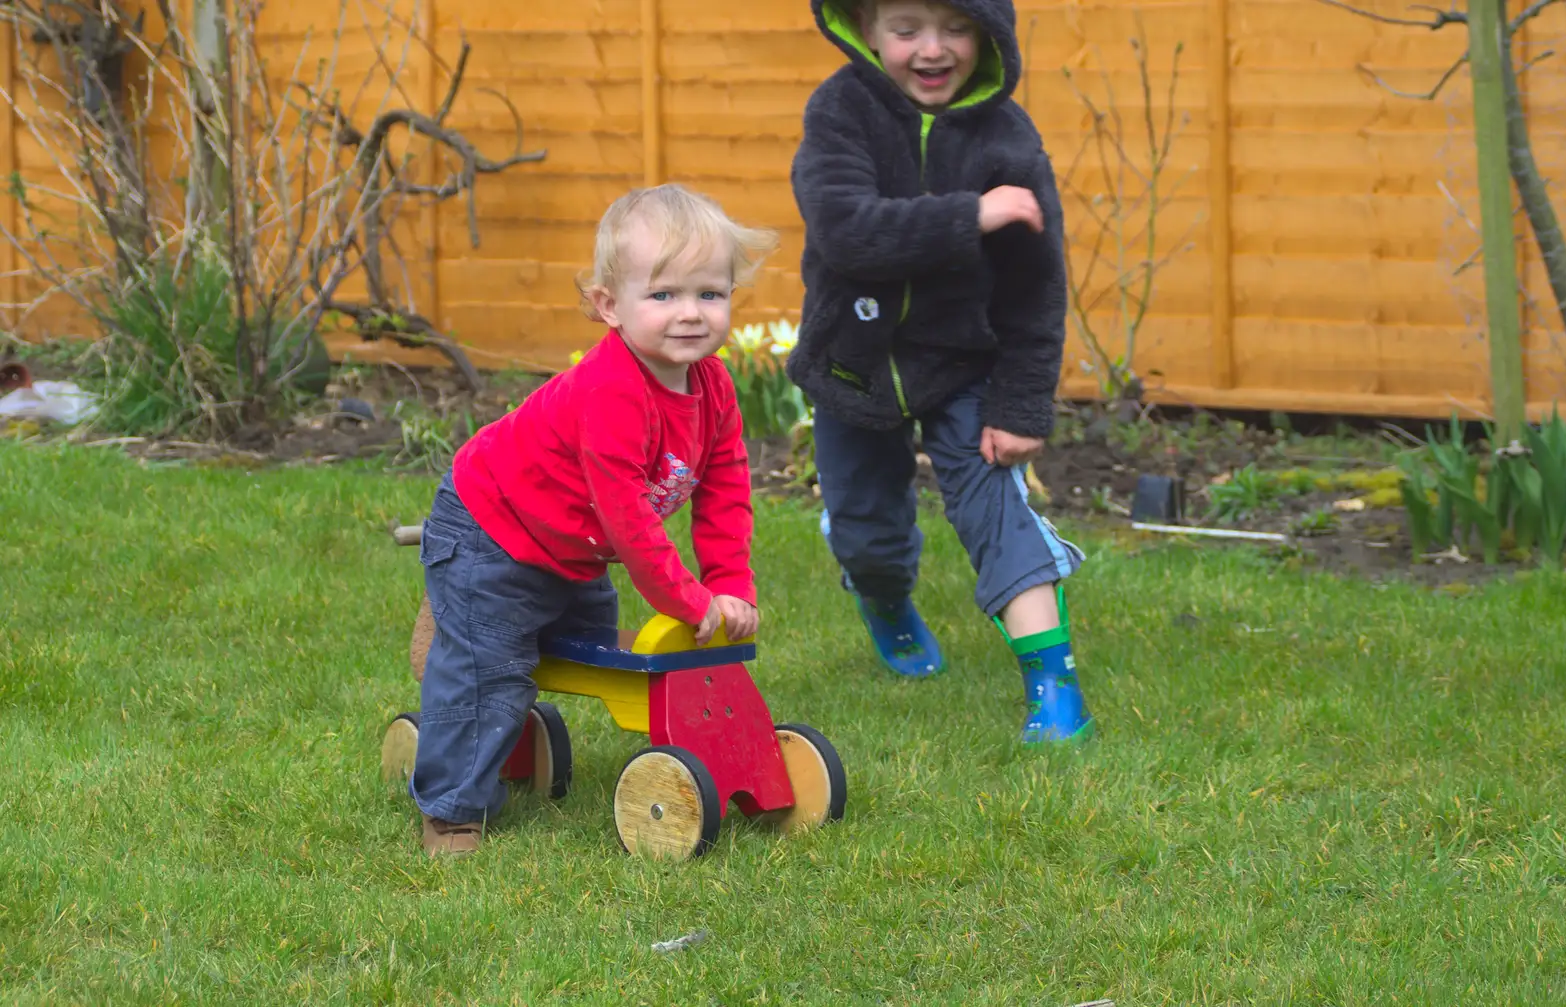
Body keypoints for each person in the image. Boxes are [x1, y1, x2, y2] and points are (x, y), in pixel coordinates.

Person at [410, 184, 777, 855]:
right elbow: (630, 519)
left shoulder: (713, 387)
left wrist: (730, 585)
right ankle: (453, 807)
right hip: (492, 527)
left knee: (585, 646)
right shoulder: (613, 391)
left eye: (710, 294)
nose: (690, 314)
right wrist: (687, 599)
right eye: (663, 295)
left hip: (570, 548)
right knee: (492, 669)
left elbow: (724, 488)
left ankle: (468, 635)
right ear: (610, 306)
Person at [787, 0, 1092, 744]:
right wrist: (970, 216)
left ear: (987, 33)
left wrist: (1022, 405)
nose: (933, 49)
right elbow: (846, 230)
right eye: (907, 29)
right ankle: (885, 600)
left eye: (955, 27)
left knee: (999, 511)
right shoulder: (840, 111)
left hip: (963, 364)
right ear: (864, 26)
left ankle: (1055, 686)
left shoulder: (1008, 137)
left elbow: (1035, 286)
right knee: (868, 531)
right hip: (853, 365)